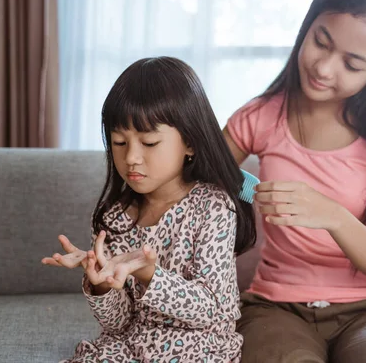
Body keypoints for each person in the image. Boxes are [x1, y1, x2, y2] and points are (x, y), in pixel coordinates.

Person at [223, 0, 366, 362]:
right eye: (321, 41)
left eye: (352, 64)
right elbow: (199, 177)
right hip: (276, 308)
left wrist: (332, 216)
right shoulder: (260, 116)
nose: (324, 68)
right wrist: (250, 190)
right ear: (308, 24)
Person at [42, 56, 256, 363]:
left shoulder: (213, 208)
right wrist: (101, 283)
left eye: (150, 143)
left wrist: (147, 273)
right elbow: (119, 324)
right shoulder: (112, 217)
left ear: (190, 143)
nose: (131, 157)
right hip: (130, 347)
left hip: (197, 349)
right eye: (119, 141)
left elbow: (211, 308)